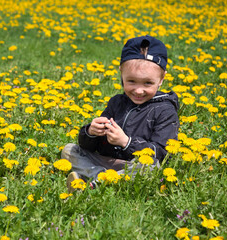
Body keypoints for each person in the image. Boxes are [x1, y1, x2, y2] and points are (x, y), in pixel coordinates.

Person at [61, 35, 179, 193]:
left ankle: (93, 183)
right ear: (121, 74)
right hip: (106, 162)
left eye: (148, 83)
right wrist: (91, 132)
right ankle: (99, 177)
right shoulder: (116, 102)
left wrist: (126, 142)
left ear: (161, 79)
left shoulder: (165, 110)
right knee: (70, 149)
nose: (138, 90)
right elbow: (90, 146)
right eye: (131, 81)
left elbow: (163, 153)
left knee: (153, 168)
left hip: (134, 167)